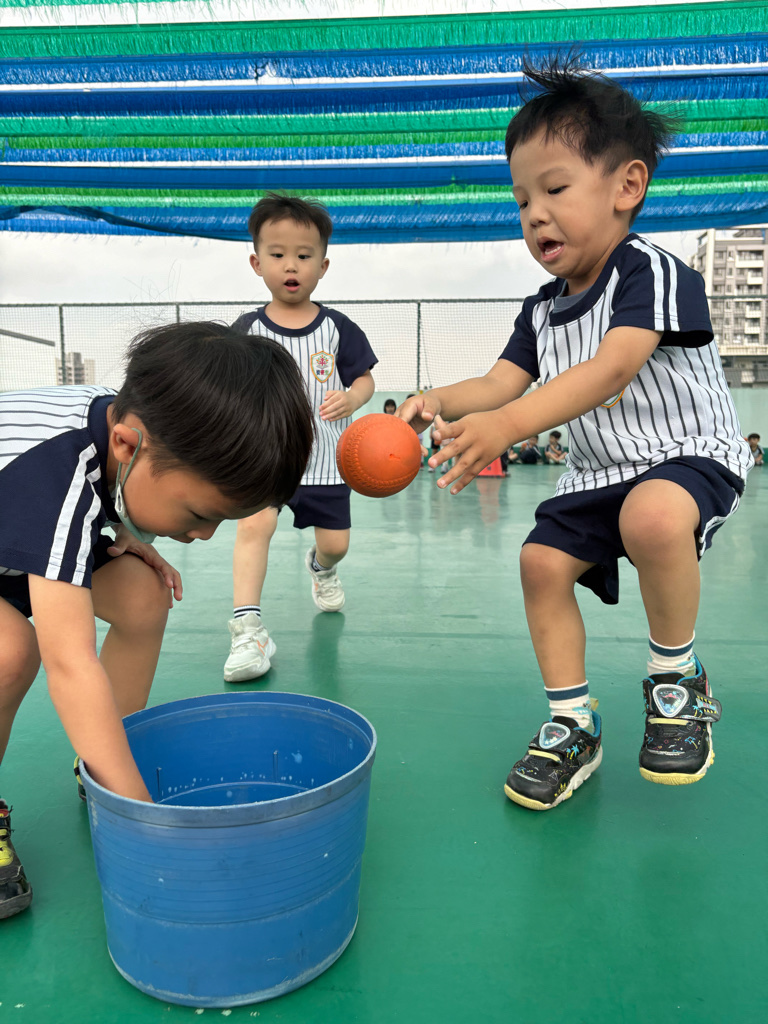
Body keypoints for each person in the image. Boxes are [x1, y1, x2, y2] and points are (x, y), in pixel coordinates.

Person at [398, 56, 753, 811]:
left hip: (686, 455)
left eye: (555, 189)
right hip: (596, 473)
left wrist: (507, 425)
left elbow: (613, 369)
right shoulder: (541, 308)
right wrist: (437, 399)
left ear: (627, 187)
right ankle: (572, 723)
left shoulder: (649, 273)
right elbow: (501, 383)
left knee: (652, 517)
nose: (535, 213)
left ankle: (677, 681)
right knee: (540, 563)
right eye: (522, 198)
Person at [0, 322, 314, 918]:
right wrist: (147, 821)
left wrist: (121, 529)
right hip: (17, 534)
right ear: (127, 446)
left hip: (14, 535)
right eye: (198, 513)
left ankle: (101, 764)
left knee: (143, 595)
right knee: (11, 652)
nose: (204, 535)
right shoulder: (56, 477)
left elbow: (75, 504)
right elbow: (70, 665)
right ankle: (112, 785)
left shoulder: (128, 426)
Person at [223, 193, 377, 683]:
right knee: (254, 527)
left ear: (323, 266)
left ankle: (321, 567)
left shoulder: (337, 329)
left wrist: (352, 398)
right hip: (266, 460)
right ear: (257, 263)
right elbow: (226, 386)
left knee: (337, 544)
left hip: (328, 461)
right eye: (278, 254)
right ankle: (247, 629)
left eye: (304, 255)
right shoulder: (246, 331)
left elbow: (365, 379)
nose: (291, 265)